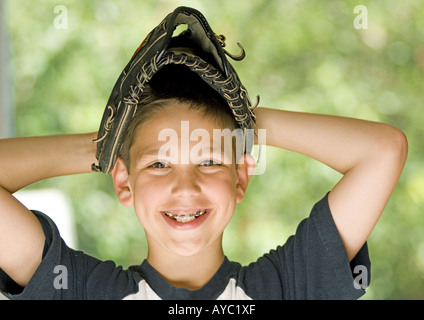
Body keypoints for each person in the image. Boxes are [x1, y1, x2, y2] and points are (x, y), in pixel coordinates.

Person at [0, 12, 407, 300]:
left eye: (210, 160)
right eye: (158, 163)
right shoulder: (78, 291)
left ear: (241, 177)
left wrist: (242, 122)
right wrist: (109, 142)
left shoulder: (288, 287)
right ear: (123, 181)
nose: (185, 186)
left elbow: (383, 150)